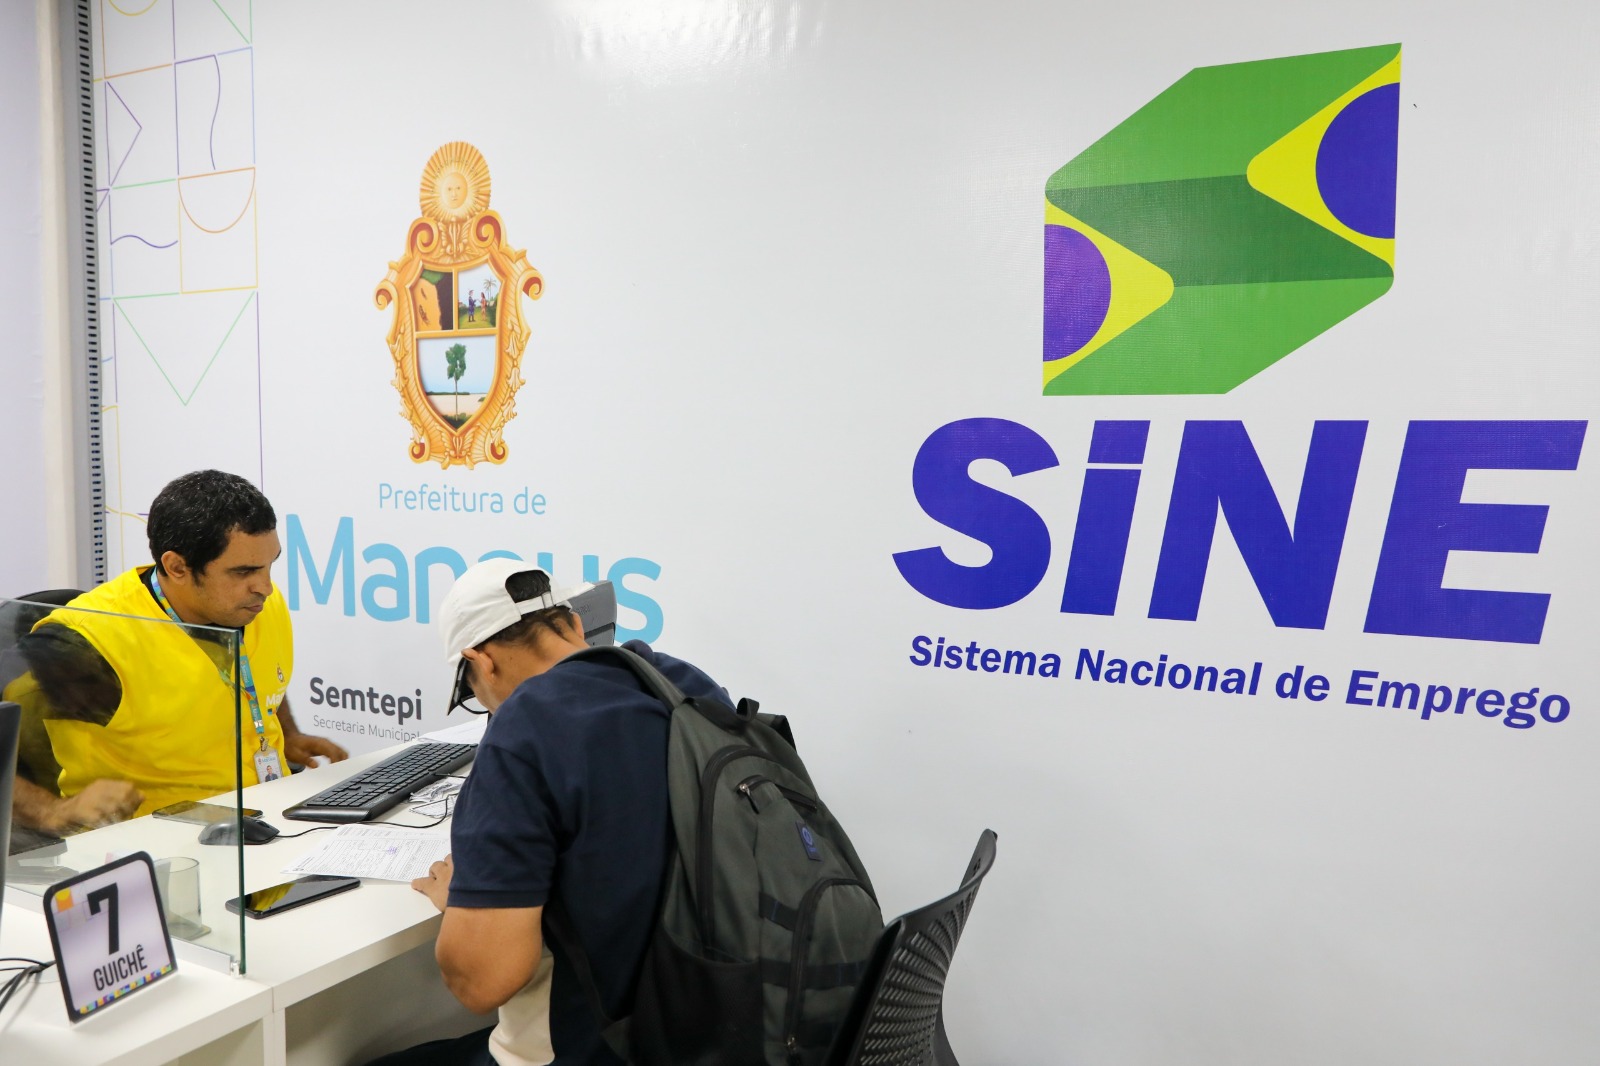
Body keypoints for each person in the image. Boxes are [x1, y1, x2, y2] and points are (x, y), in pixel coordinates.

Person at [376, 559, 730, 1066]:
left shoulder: (523, 736)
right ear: (575, 625)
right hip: (724, 1027)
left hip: (597, 1049)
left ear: (481, 662)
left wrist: (460, 902)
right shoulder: (679, 682)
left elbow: (481, 984)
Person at [9, 469, 348, 828]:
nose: (264, 586)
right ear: (177, 566)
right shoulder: (89, 642)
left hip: (266, 822)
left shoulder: (255, 605)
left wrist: (288, 735)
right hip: (154, 843)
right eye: (243, 571)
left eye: (269, 565)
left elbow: (256, 679)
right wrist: (50, 811)